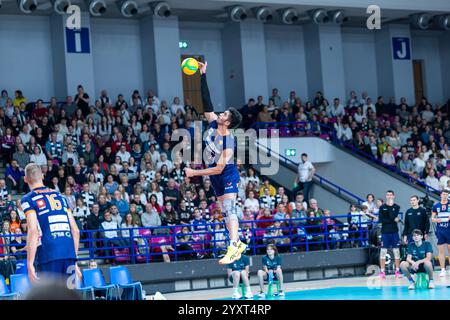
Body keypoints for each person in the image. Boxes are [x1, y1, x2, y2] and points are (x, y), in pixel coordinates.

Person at [184, 61, 246, 265]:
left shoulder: (229, 140)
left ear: (227, 122)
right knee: (226, 214)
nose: (221, 113)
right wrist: (202, 74)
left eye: (225, 114)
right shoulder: (212, 122)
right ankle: (236, 243)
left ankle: (235, 244)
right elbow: (206, 101)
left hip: (226, 175)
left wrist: (194, 173)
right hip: (215, 176)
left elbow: (220, 168)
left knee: (230, 209)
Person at [21, 163, 80, 283]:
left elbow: (33, 231)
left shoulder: (28, 199)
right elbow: (76, 231)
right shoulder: (60, 196)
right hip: (69, 254)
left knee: (50, 294)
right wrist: (75, 259)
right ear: (42, 176)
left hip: (48, 254)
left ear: (25, 179)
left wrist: (29, 263)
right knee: (69, 294)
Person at [378, 190, 402, 279]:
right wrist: (392, 220)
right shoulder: (382, 207)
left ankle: (397, 271)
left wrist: (391, 207)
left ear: (393, 196)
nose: (389, 196)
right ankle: (382, 272)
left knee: (396, 251)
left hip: (394, 232)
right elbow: (381, 220)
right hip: (385, 232)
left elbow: (392, 216)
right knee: (383, 251)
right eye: (387, 195)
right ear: (386, 196)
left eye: (391, 195)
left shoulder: (397, 207)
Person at [431, 189, 450, 277]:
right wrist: (436, 220)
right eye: (443, 194)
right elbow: (432, 218)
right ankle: (443, 270)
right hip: (440, 230)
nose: (445, 196)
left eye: (446, 194)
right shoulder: (436, 205)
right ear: (441, 195)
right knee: (441, 251)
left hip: (449, 230)